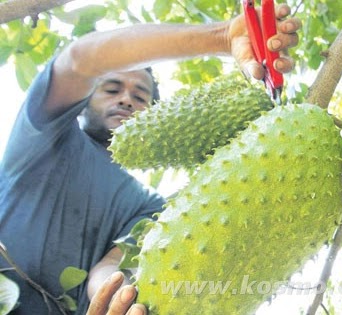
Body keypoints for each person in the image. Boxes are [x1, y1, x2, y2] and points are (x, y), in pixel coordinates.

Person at [0, 4, 300, 314]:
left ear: (156, 113)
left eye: (140, 96)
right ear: (85, 99)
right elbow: (81, 61)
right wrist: (223, 36)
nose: (126, 98)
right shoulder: (45, 135)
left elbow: (111, 266)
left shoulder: (150, 206)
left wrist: (120, 297)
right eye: (112, 88)